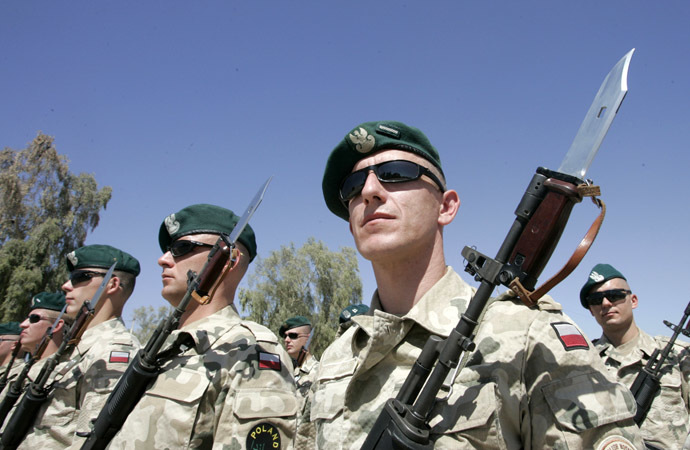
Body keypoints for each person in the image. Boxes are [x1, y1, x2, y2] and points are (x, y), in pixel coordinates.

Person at [311, 120, 644, 449]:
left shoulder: (526, 337)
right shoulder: (334, 360)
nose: (368, 192)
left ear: (446, 206)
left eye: (396, 173)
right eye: (353, 187)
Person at [106, 204, 298, 449]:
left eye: (180, 249)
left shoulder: (247, 352)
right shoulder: (156, 351)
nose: (163, 260)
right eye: (168, 250)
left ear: (229, 259)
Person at [18, 245, 141, 449]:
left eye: (79, 277)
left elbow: (92, 439)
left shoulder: (114, 349)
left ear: (112, 284)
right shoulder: (75, 348)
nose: (66, 285)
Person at [581, 263, 690, 449]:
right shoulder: (583, 362)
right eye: (596, 299)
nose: (606, 303)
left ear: (633, 300)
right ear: (591, 310)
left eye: (615, 296)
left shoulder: (677, 354)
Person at [0, 292, 69, 430]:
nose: (23, 325)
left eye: (34, 318)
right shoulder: (24, 374)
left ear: (56, 325)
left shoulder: (66, 373)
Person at [279, 315, 319, 395]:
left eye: (293, 336)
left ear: (308, 338)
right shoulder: (286, 372)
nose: (287, 340)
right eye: (285, 336)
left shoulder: (319, 372)